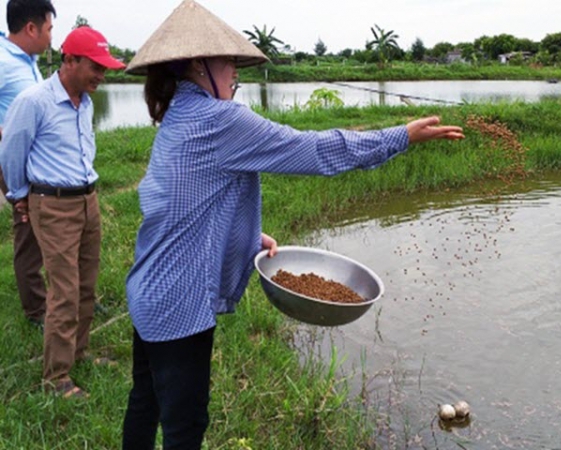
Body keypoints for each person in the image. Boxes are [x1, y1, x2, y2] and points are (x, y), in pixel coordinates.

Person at [121, 1, 464, 448]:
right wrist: (400, 137)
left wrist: (244, 236)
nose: (234, 75)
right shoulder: (219, 119)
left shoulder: (179, 116)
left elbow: (180, 205)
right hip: (179, 303)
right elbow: (315, 151)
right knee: (186, 425)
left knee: (145, 403)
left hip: (149, 287)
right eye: (229, 64)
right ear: (197, 65)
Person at [0, 26, 126, 398]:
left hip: (88, 200)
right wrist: (20, 195)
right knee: (65, 291)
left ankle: (79, 353)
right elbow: (11, 154)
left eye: (106, 70)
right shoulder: (34, 101)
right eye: (96, 68)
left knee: (87, 283)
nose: (102, 76)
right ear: (70, 60)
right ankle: (56, 378)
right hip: (53, 204)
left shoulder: (85, 103)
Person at [0, 0, 56, 328]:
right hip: (13, 156)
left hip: (37, 156)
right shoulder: (3, 60)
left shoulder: (28, 60)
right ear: (31, 28)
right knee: (28, 226)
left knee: (48, 221)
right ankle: (37, 311)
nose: (51, 37)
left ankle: (59, 295)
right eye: (49, 28)